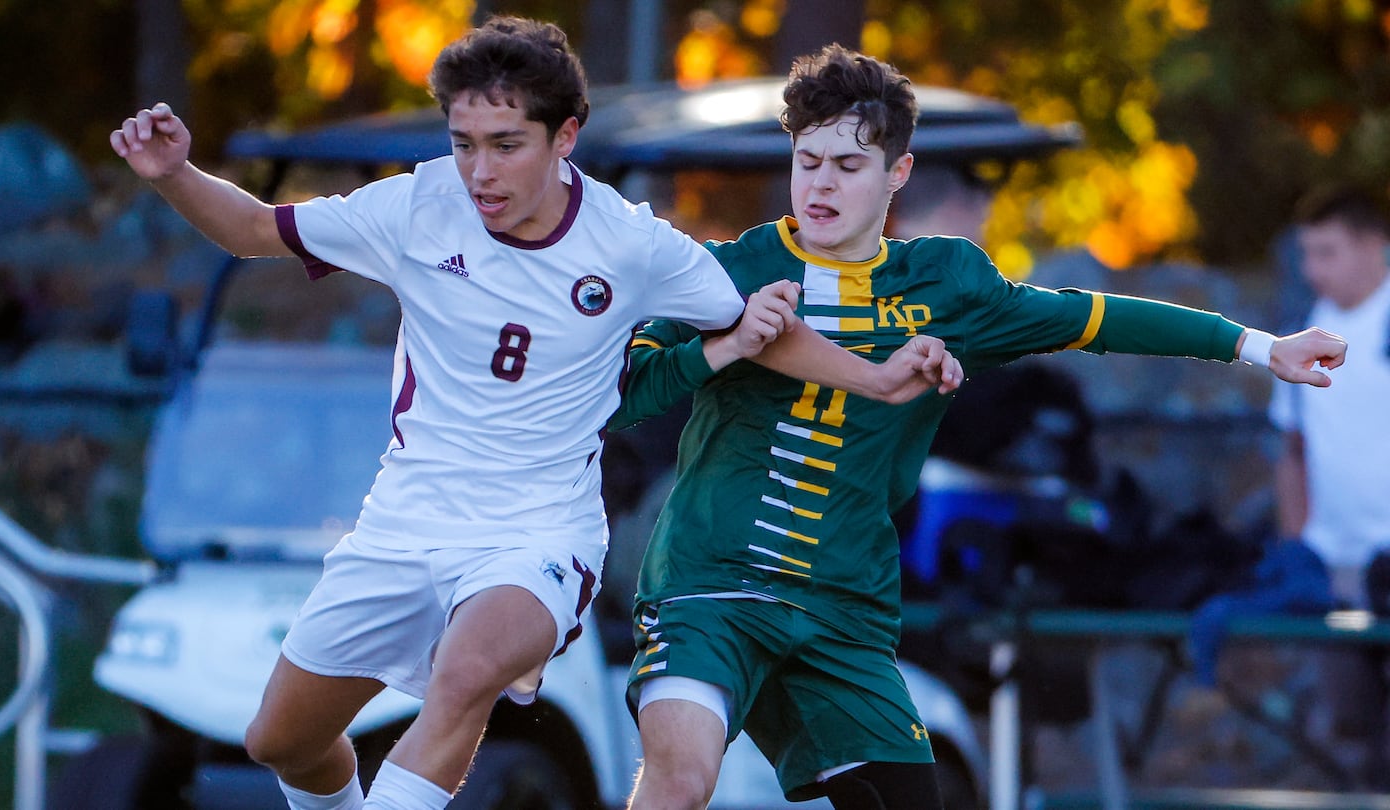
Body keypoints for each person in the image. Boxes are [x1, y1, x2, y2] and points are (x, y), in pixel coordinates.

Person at [110, 17, 956, 810]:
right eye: (464, 144)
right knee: (281, 740)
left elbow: (757, 329)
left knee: (466, 671)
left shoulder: (629, 242)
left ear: (565, 137)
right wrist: (176, 175)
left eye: (506, 146)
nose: (481, 172)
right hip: (404, 522)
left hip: (537, 534)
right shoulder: (414, 207)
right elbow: (255, 229)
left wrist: (877, 380)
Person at [609, 45, 1348, 810]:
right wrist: (723, 346)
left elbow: (1094, 319)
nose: (821, 182)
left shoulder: (948, 285)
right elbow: (625, 395)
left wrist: (1265, 349)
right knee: (682, 778)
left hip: (841, 606)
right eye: (808, 160)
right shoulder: (730, 270)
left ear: (898, 174)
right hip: (708, 583)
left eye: (848, 165)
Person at [1268, 184, 1390, 779]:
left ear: (1374, 247)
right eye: (1307, 254)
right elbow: (1291, 452)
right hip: (1338, 574)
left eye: (1329, 252)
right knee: (1353, 737)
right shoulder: (1302, 337)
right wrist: (1299, 548)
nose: (1313, 270)